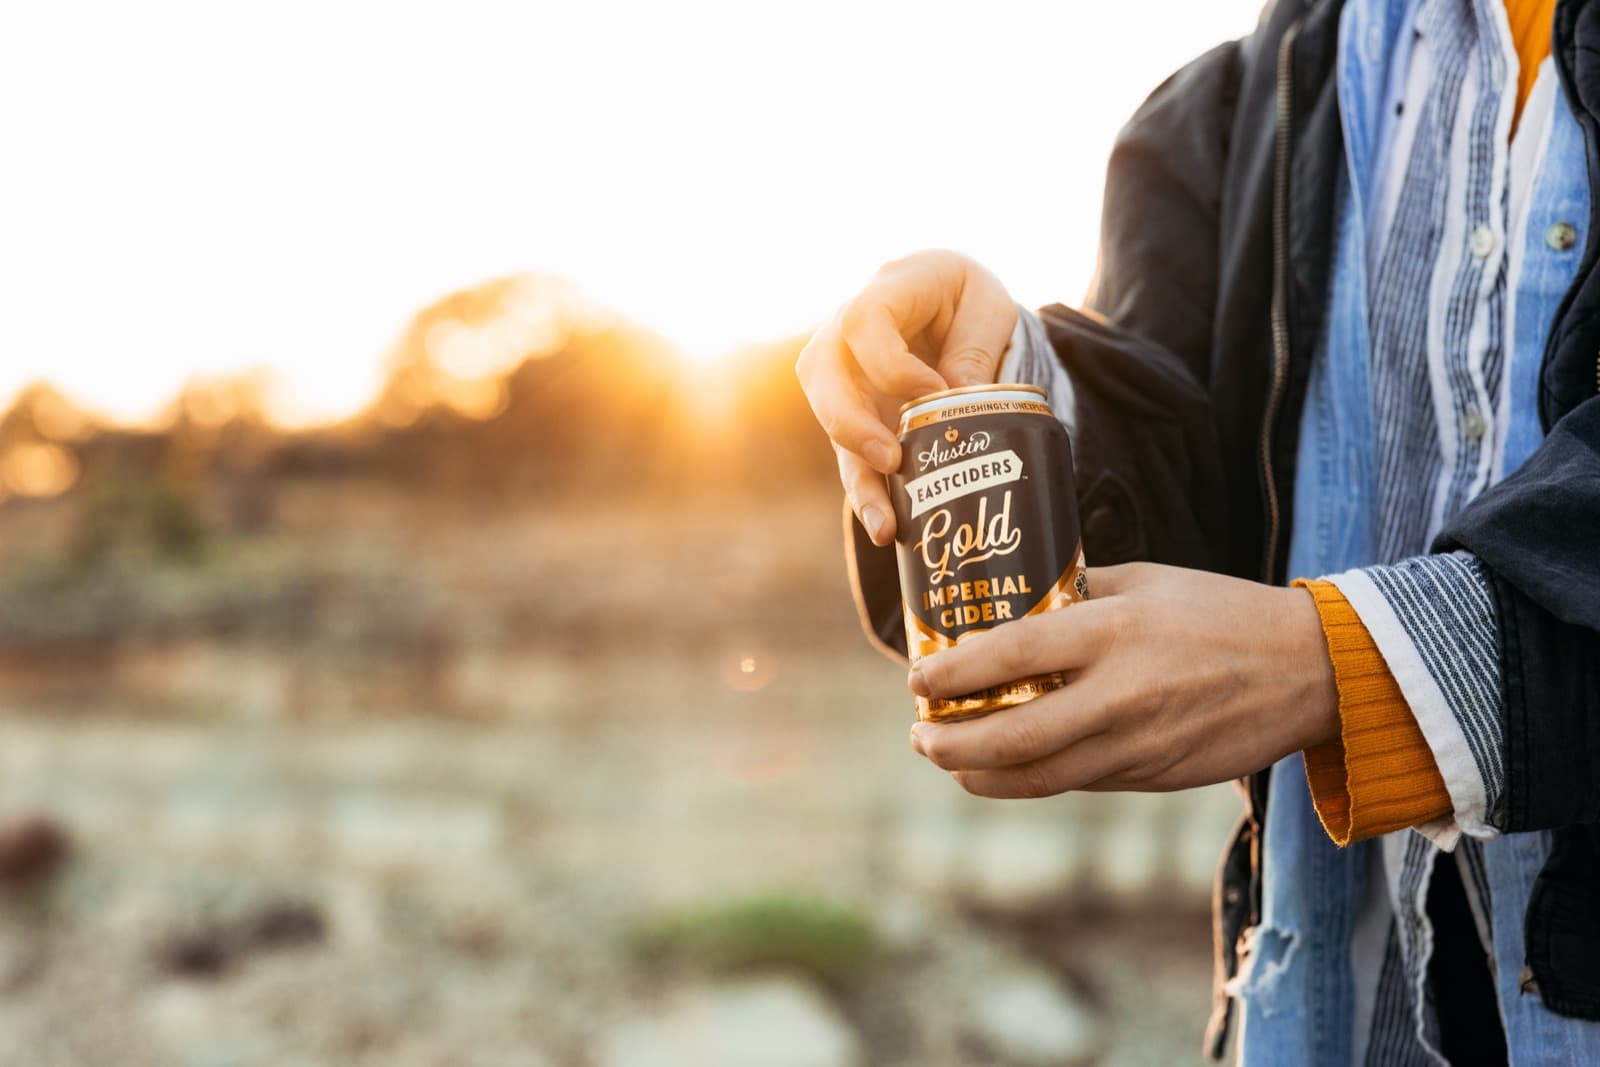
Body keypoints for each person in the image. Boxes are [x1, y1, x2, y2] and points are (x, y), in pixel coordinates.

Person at [796, 0, 1600, 1062]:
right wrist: (999, 388)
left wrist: (1340, 664)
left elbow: (1284, 640)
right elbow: (1198, 482)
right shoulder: (1248, 95)